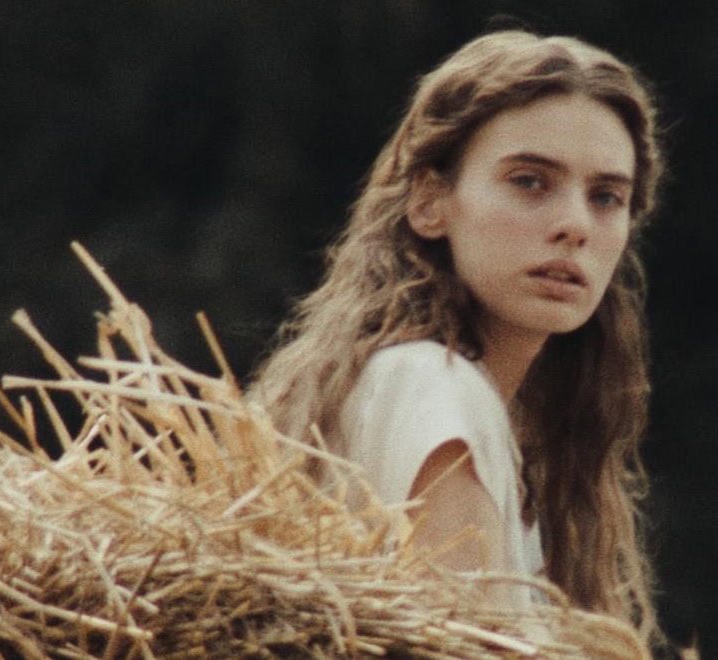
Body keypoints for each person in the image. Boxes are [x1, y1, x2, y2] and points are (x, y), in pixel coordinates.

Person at [249, 29, 665, 647]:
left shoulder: (415, 389)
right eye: (530, 181)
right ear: (429, 201)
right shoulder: (435, 389)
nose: (575, 225)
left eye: (606, 197)